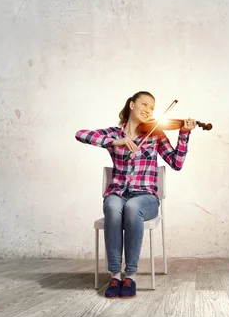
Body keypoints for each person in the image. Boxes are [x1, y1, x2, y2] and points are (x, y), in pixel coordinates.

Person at [75, 91, 196, 299]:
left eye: (152, 108)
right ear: (132, 105)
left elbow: (177, 163)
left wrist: (184, 133)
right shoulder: (114, 133)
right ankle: (115, 275)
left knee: (132, 207)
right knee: (114, 206)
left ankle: (130, 275)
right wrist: (115, 142)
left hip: (145, 197)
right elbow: (81, 134)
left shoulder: (156, 134)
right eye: (144, 104)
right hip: (118, 193)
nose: (148, 111)